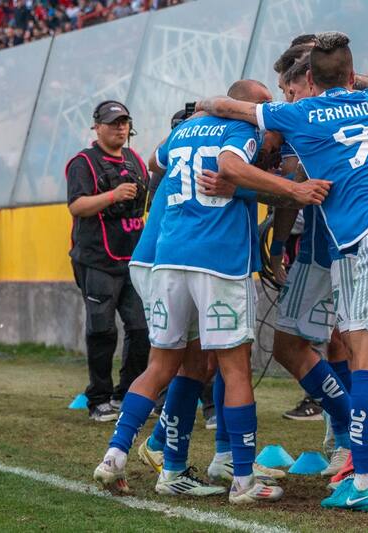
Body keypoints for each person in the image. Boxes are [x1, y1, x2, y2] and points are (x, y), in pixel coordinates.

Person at [197, 32, 368, 511]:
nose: (286, 95)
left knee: (364, 357)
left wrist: (202, 107)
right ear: (351, 75)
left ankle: (365, 477)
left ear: (308, 78)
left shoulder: (301, 115)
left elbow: (234, 111)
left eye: (290, 86)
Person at [92, 79, 330, 505]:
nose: (268, 121)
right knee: (232, 366)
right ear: (247, 107)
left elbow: (154, 162)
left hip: (169, 256)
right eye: (265, 108)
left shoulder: (184, 130)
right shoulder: (240, 131)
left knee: (168, 364)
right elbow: (232, 167)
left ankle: (116, 456)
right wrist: (291, 189)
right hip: (216, 259)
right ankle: (241, 478)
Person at [66, 100, 150, 422]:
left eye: (124, 122)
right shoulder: (83, 163)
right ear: (96, 126)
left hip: (132, 259)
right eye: (113, 122)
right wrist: (113, 196)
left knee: (141, 329)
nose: (120, 128)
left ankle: (127, 394)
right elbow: (77, 206)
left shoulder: (136, 160)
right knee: (101, 331)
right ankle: (98, 398)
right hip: (97, 259)